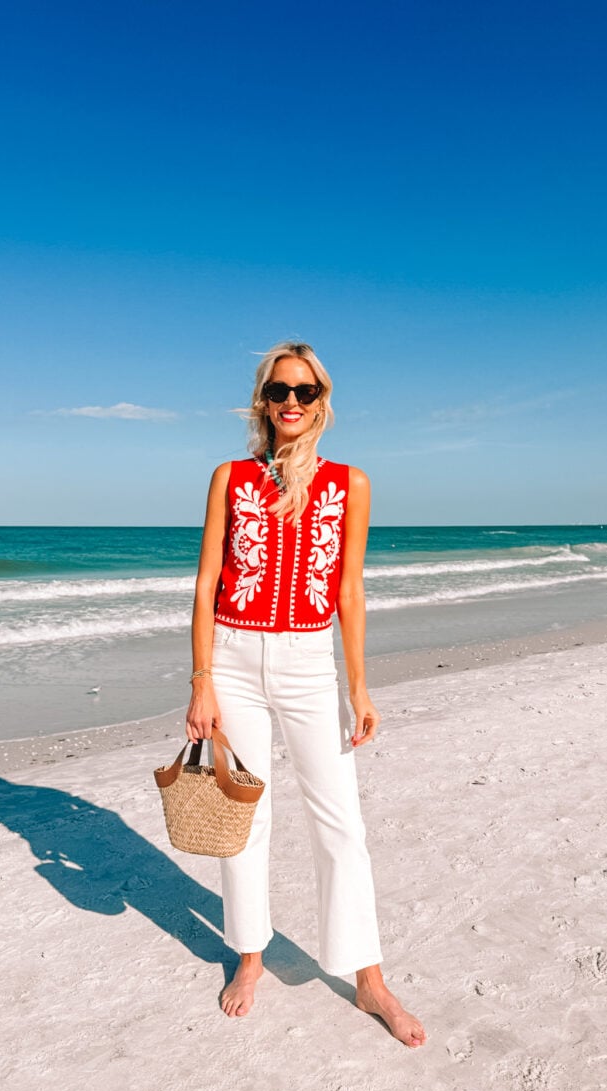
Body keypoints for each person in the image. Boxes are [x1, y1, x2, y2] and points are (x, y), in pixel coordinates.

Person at [185, 341, 426, 1048]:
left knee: (340, 823)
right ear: (263, 401)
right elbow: (206, 584)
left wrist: (359, 686)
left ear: (323, 403)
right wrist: (201, 679)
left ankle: (369, 979)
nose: (293, 402)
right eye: (280, 390)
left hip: (307, 663)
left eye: (307, 391)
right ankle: (251, 956)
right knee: (243, 820)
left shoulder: (350, 484)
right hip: (232, 657)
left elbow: (349, 590)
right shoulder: (229, 477)